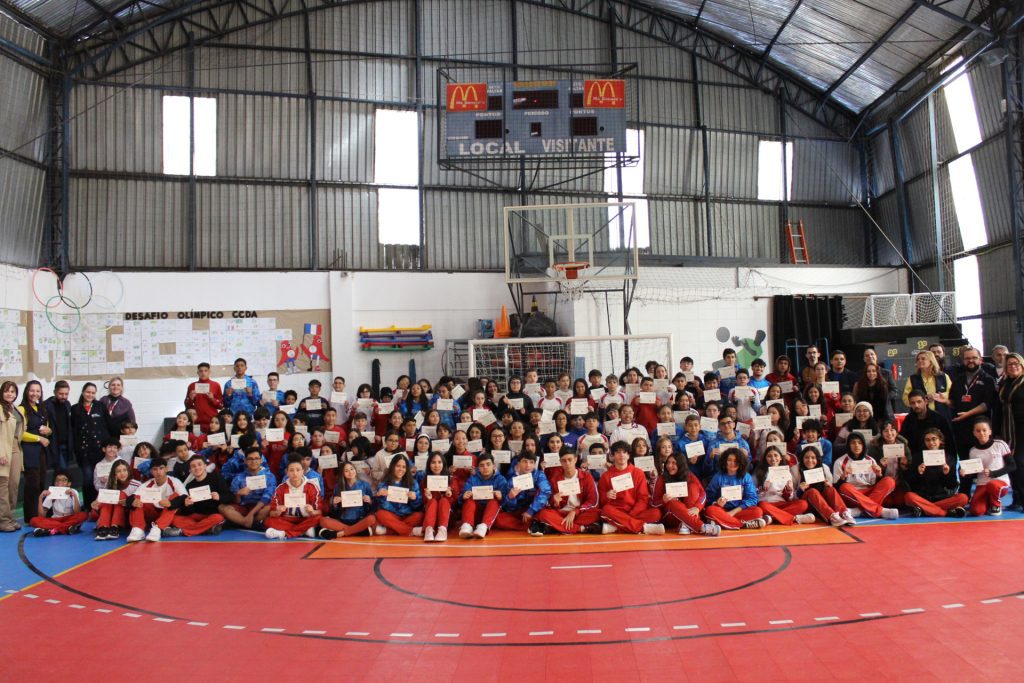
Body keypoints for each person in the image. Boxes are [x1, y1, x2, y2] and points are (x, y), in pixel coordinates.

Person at [597, 441, 663, 535]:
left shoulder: (638, 473)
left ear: (628, 455)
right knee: (606, 510)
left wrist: (630, 515)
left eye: (624, 452)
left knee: (656, 513)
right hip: (616, 511)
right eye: (618, 452)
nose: (621, 455)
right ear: (612, 456)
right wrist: (606, 496)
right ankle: (644, 528)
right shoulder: (605, 476)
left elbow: (643, 499)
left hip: (634, 512)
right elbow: (601, 502)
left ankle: (615, 527)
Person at [904, 428, 968, 518]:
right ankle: (946, 513)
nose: (931, 442)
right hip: (923, 497)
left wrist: (947, 474)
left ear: (940, 441)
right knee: (908, 496)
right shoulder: (917, 458)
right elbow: (911, 483)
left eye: (934, 439)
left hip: (942, 497)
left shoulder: (949, 459)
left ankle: (924, 510)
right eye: (927, 440)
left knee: (963, 498)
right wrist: (918, 473)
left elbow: (952, 485)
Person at [832, 432, 899, 519]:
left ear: (863, 445)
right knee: (844, 487)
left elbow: (875, 485)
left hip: (870, 494)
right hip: (853, 495)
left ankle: (858, 511)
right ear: (848, 445)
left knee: (889, 481)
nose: (857, 445)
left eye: (859, 443)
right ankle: (881, 511)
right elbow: (836, 488)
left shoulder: (871, 460)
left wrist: (879, 475)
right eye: (853, 443)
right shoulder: (840, 462)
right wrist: (843, 477)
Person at [949, 346, 999, 458]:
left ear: (980, 360)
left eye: (974, 358)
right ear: (963, 361)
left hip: (980, 430)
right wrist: (945, 401)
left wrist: (967, 414)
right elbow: (953, 402)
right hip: (961, 429)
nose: (970, 360)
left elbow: (987, 404)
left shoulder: (988, 380)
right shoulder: (957, 380)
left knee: (981, 461)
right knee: (965, 462)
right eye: (967, 358)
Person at [535, 450, 601, 535]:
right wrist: (555, 502)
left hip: (579, 513)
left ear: (575, 459)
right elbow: (548, 504)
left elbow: (593, 501)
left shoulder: (586, 476)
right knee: (543, 514)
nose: (567, 463)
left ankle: (557, 527)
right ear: (560, 462)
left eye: (570, 459)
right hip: (561, 513)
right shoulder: (555, 478)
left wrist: (575, 511)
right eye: (564, 461)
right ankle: (581, 529)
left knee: (598, 513)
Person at [653, 452, 717, 535]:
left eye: (673, 463)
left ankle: (685, 525)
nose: (669, 465)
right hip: (670, 516)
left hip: (689, 513)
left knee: (693, 487)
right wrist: (663, 500)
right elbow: (654, 503)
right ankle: (702, 527)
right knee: (672, 502)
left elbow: (703, 494)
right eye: (668, 462)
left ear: (680, 465)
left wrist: (697, 507)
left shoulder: (689, 475)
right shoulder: (661, 478)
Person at [703, 447, 765, 530]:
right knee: (710, 510)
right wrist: (717, 503)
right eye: (729, 460)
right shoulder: (718, 477)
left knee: (758, 512)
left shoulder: (746, 477)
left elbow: (752, 498)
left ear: (740, 462)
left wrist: (733, 512)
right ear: (725, 461)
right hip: (722, 510)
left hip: (739, 510)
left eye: (736, 461)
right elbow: (709, 496)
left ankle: (724, 522)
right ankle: (743, 524)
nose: (732, 463)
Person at [127, 459, 187, 542]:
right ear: (151, 471)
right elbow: (131, 498)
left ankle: (157, 528)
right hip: (153, 513)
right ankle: (138, 529)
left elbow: (185, 497)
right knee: (137, 498)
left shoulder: (174, 481)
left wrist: (170, 503)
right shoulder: (148, 483)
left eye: (161, 468)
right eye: (155, 469)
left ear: (166, 469)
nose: (158, 472)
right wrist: (133, 502)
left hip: (168, 514)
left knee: (176, 496)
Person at [71, 382, 111, 508]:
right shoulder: (75, 408)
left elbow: (108, 424)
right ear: (83, 392)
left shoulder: (100, 406)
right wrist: (76, 448)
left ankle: (102, 505)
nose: (90, 395)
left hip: (99, 451)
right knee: (88, 478)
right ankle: (88, 506)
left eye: (93, 393)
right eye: (88, 392)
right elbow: (73, 430)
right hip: (84, 453)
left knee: (100, 478)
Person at [753, 445, 814, 525]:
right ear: (765, 458)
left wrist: (788, 490)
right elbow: (753, 493)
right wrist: (763, 489)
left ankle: (772, 518)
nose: (773, 459)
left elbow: (790, 497)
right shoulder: (759, 473)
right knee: (762, 505)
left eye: (776, 455)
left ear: (780, 458)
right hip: (768, 504)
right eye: (769, 456)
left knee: (803, 504)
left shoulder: (786, 472)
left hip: (783, 504)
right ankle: (795, 518)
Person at [964, 417, 1014, 516]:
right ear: (974, 433)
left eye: (984, 430)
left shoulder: (1000, 444)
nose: (981, 433)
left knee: (992, 485)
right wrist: (965, 473)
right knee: (976, 511)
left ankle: (996, 506)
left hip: (999, 482)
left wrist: (993, 473)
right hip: (982, 484)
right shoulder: (973, 451)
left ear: (990, 431)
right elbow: (973, 473)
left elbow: (1012, 466)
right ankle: (987, 502)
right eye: (978, 431)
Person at [172, 455, 232, 536]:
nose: (197, 468)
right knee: (175, 519)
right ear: (190, 470)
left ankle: (184, 532)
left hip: (213, 515)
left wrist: (219, 497)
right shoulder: (189, 486)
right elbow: (189, 512)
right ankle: (206, 529)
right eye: (193, 466)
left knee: (218, 518)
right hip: (197, 516)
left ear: (205, 466)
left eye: (199, 464)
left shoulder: (216, 478)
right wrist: (187, 505)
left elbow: (230, 497)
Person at [265, 455, 322, 539]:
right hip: (287, 519)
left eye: (298, 470)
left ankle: (284, 533)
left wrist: (312, 511)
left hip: (306, 519)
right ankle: (303, 531)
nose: (295, 473)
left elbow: (319, 511)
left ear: (303, 471)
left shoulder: (312, 487)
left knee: (318, 518)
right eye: (291, 470)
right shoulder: (280, 488)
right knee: (268, 521)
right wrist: (278, 512)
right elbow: (272, 513)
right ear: (287, 472)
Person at [18, 380, 51, 525]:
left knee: (41, 482)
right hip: (29, 451)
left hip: (42, 451)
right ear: (26, 391)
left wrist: (49, 431)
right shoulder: (21, 409)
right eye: (32, 390)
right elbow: (20, 433)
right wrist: (38, 438)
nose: (35, 393)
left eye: (38, 391)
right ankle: (30, 517)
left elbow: (46, 428)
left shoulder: (41, 408)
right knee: (32, 485)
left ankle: (40, 513)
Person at [495, 452, 552, 535]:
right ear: (518, 463)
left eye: (531, 462)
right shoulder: (512, 480)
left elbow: (546, 492)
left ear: (534, 464)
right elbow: (509, 508)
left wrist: (531, 511)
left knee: (544, 514)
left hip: (536, 510)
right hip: (520, 512)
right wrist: (510, 498)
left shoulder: (539, 475)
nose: (528, 465)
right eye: (525, 461)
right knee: (499, 520)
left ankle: (535, 523)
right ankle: (533, 525)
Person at [796, 446, 854, 526]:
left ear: (817, 459)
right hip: (807, 504)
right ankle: (832, 517)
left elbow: (833, 488)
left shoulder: (824, 468)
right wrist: (800, 489)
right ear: (802, 458)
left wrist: (831, 484)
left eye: (813, 458)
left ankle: (844, 513)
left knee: (830, 489)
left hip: (822, 502)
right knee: (812, 491)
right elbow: (792, 497)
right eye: (806, 457)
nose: (810, 460)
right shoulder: (796, 469)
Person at [320, 461, 377, 539]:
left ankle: (342, 533)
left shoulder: (365, 485)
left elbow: (372, 508)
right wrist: (335, 504)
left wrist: (369, 501)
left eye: (351, 469)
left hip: (360, 519)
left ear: (355, 470)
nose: (350, 472)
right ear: (342, 473)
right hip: (343, 520)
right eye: (346, 471)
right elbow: (334, 512)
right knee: (323, 520)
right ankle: (358, 532)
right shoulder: (338, 486)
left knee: (372, 519)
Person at [224, 447, 275, 530]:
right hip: (245, 507)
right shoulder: (238, 478)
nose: (253, 461)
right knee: (222, 507)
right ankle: (245, 522)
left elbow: (266, 498)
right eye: (250, 459)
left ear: (261, 460)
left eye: (256, 458)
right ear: (245, 460)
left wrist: (252, 513)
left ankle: (242, 522)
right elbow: (237, 502)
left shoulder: (269, 476)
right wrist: (238, 494)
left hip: (260, 507)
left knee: (270, 507)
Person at [458, 453, 506, 539]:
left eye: (488, 464)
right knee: (469, 500)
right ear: (478, 468)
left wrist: (501, 496)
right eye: (482, 465)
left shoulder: (500, 479)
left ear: (494, 466)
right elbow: (461, 499)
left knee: (494, 501)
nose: (485, 467)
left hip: (491, 514)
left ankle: (484, 527)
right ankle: (467, 525)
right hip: (475, 514)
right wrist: (463, 496)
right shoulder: (472, 479)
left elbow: (507, 501)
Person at [373, 454, 423, 536]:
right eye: (398, 466)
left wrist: (414, 499)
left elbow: (417, 506)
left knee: (420, 516)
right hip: (392, 515)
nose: (401, 469)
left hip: (408, 515)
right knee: (380, 514)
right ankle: (411, 531)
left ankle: (388, 531)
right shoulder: (384, 483)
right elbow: (383, 506)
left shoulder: (413, 483)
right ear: (392, 467)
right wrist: (381, 496)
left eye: (404, 467)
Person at [999, 353, 1024, 509]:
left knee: (1020, 464)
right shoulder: (1005, 383)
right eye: (1010, 364)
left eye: (1016, 363)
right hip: (1008, 430)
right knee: (1011, 464)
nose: (1013, 366)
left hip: (1022, 429)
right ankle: (1017, 499)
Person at [92, 459, 140, 540]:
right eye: (118, 471)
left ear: (128, 471)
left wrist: (127, 502)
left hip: (128, 515)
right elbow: (99, 501)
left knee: (120, 494)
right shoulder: (109, 483)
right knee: (106, 498)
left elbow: (139, 505)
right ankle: (103, 527)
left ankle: (115, 526)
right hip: (110, 515)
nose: (122, 473)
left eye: (124, 470)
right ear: (114, 473)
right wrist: (95, 503)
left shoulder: (136, 484)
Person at [415, 452, 459, 542]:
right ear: (429, 465)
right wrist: (427, 498)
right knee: (433, 501)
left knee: (443, 500)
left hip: (447, 518)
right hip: (430, 517)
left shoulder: (451, 480)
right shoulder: (424, 481)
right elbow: (421, 502)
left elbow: (457, 502)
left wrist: (449, 496)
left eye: (439, 462)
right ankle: (429, 530)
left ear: (443, 464)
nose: (436, 465)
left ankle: (442, 530)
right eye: (433, 462)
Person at [0, 381, 24, 533]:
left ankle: (10, 517)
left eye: (13, 391)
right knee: (2, 486)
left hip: (16, 448)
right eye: (7, 391)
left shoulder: (15, 408)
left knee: (13, 485)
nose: (10, 394)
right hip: (3, 449)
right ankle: (3, 520)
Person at [902, 350, 952, 420]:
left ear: (931, 361)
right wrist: (920, 400)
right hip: (919, 417)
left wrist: (938, 396)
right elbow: (905, 398)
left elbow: (952, 394)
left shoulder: (943, 377)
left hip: (942, 416)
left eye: (923, 359)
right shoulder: (912, 378)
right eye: (918, 359)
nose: (920, 361)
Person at [185, 363, 224, 430]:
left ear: (209, 372)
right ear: (198, 373)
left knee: (212, 437)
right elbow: (187, 406)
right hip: (197, 421)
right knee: (197, 437)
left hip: (212, 421)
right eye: (201, 371)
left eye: (205, 371)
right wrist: (190, 399)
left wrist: (212, 399)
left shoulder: (216, 385)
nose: (203, 373)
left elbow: (221, 406)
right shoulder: (192, 386)